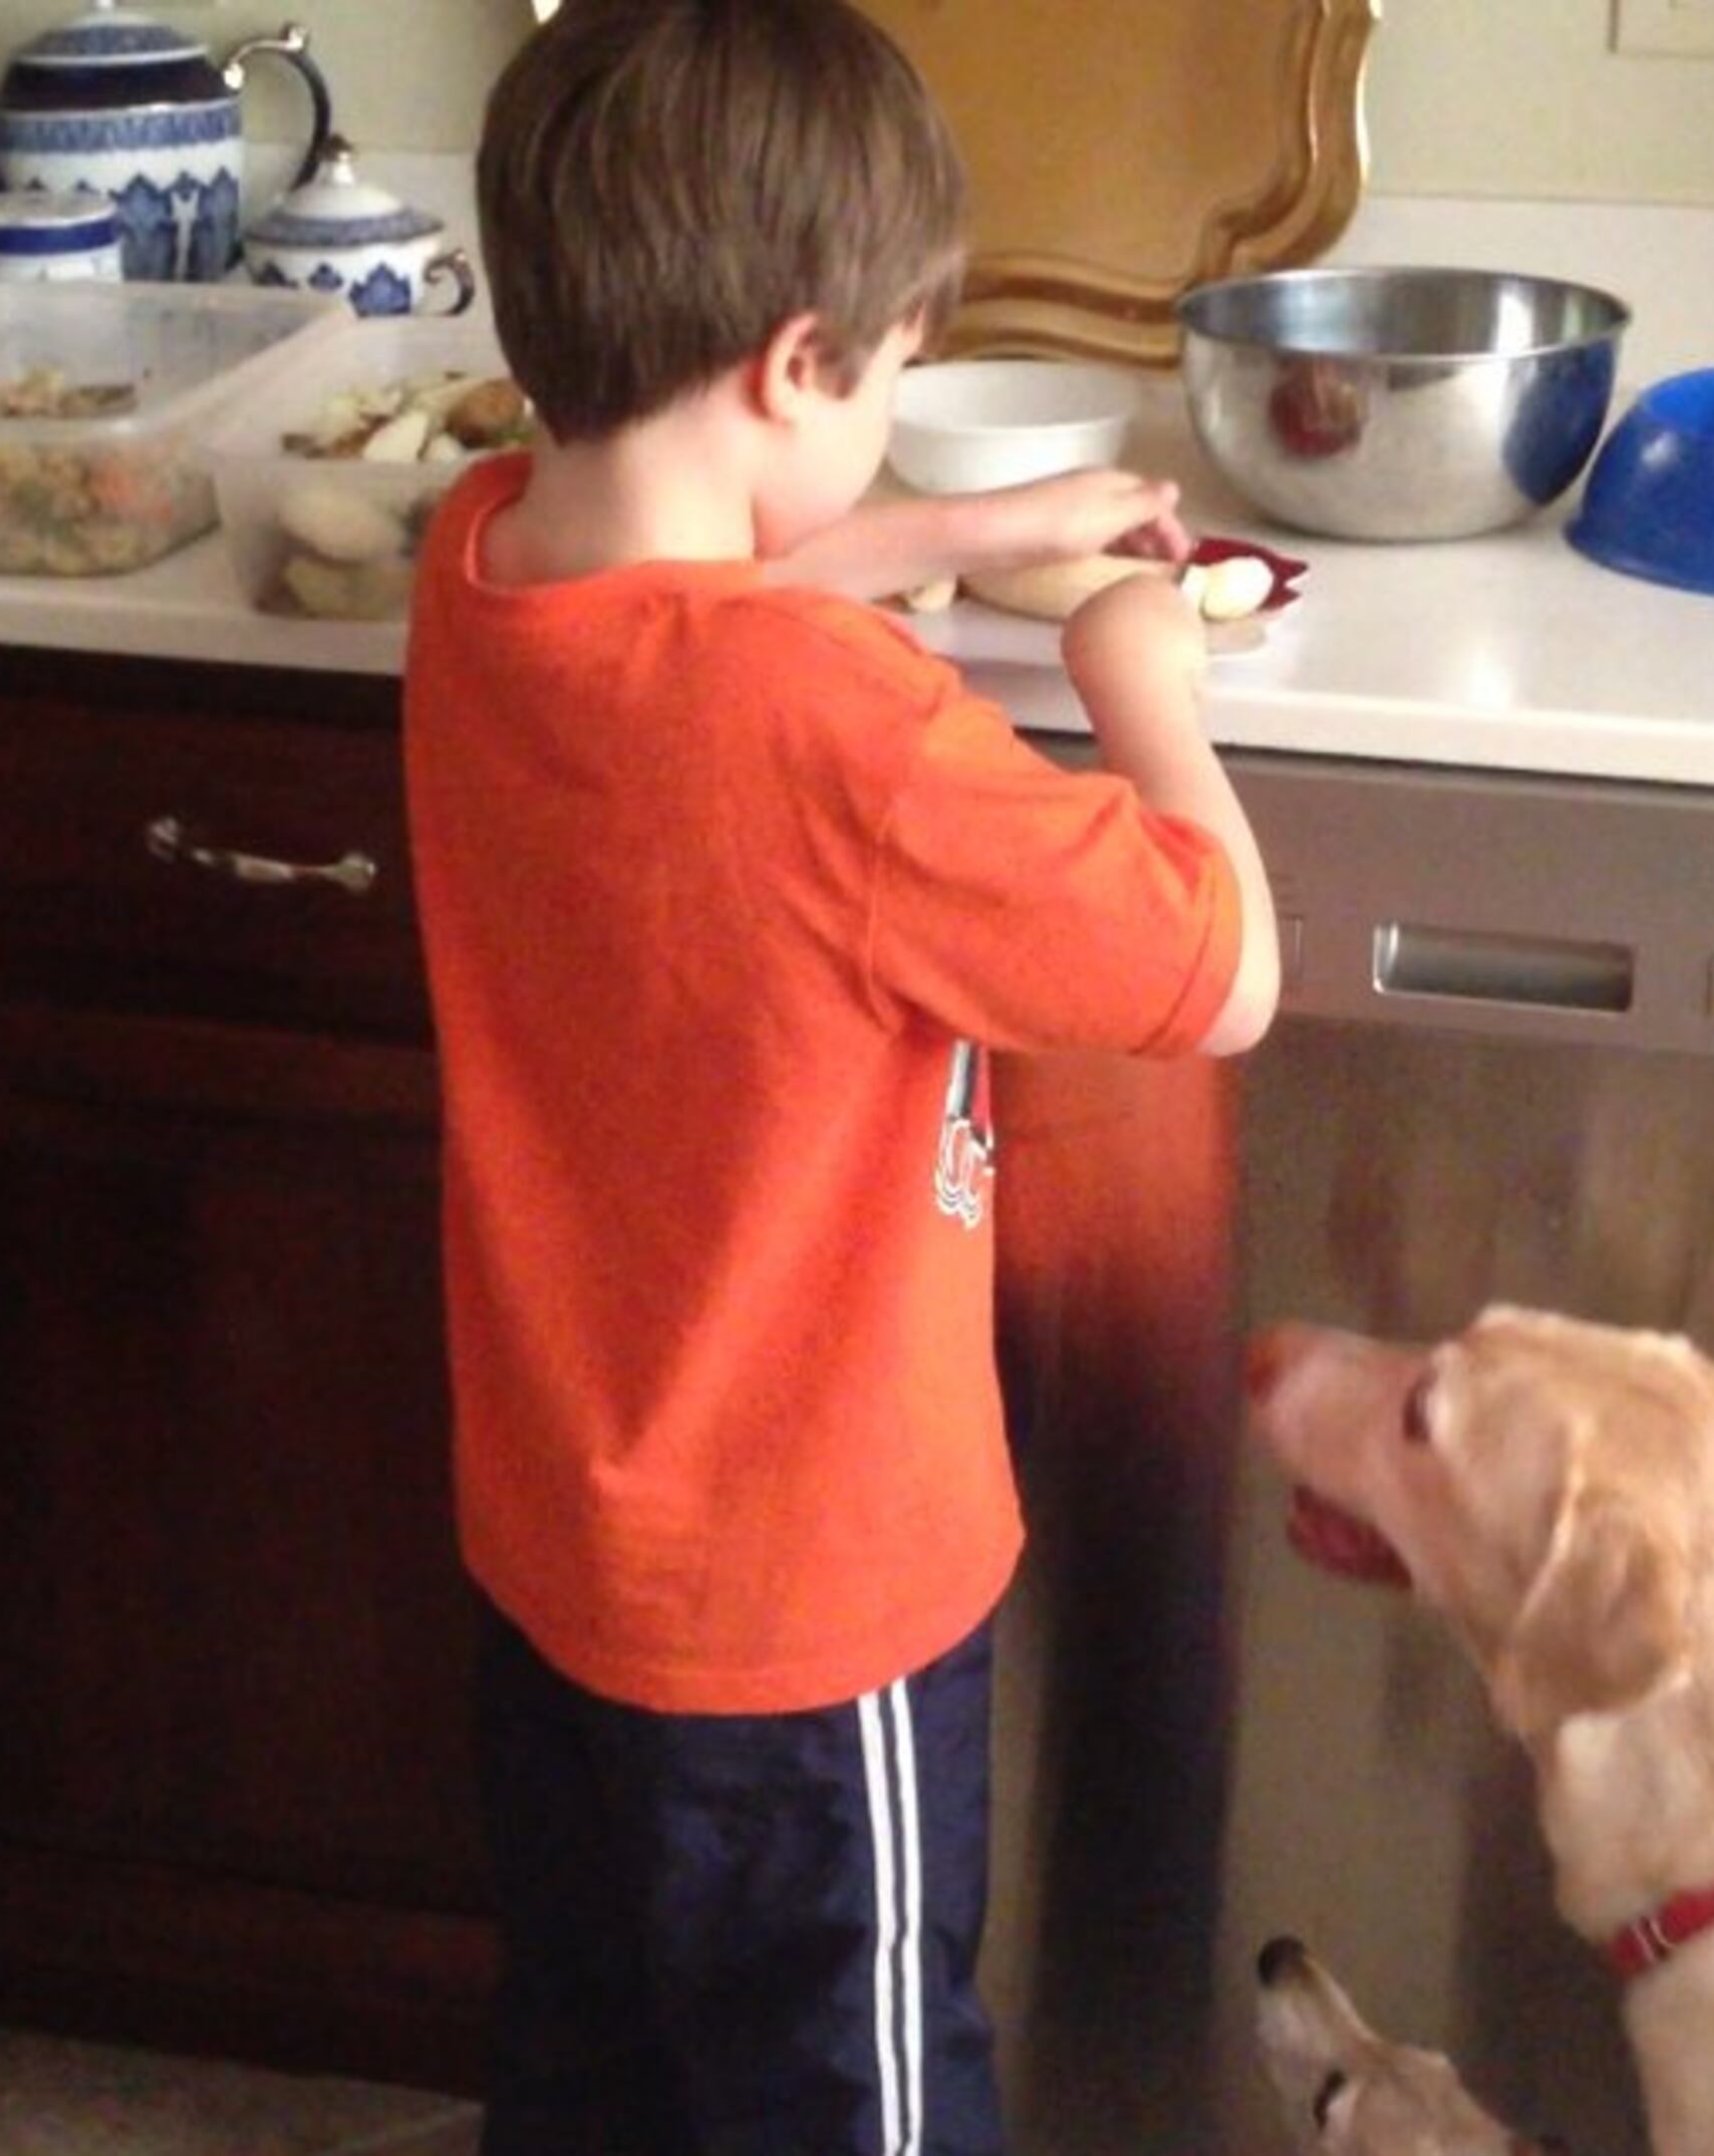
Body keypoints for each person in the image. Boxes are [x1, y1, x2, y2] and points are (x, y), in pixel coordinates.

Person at [399, 2, 1281, 2149]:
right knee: (853, 2092)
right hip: (813, 1618)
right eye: (886, 383)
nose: (886, 436)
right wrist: (1134, 666)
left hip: (562, 1553)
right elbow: (1220, 959)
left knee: (600, 2059)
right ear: (799, 364)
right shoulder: (843, 739)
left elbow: (710, 579)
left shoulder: (483, 563)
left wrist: (952, 533)